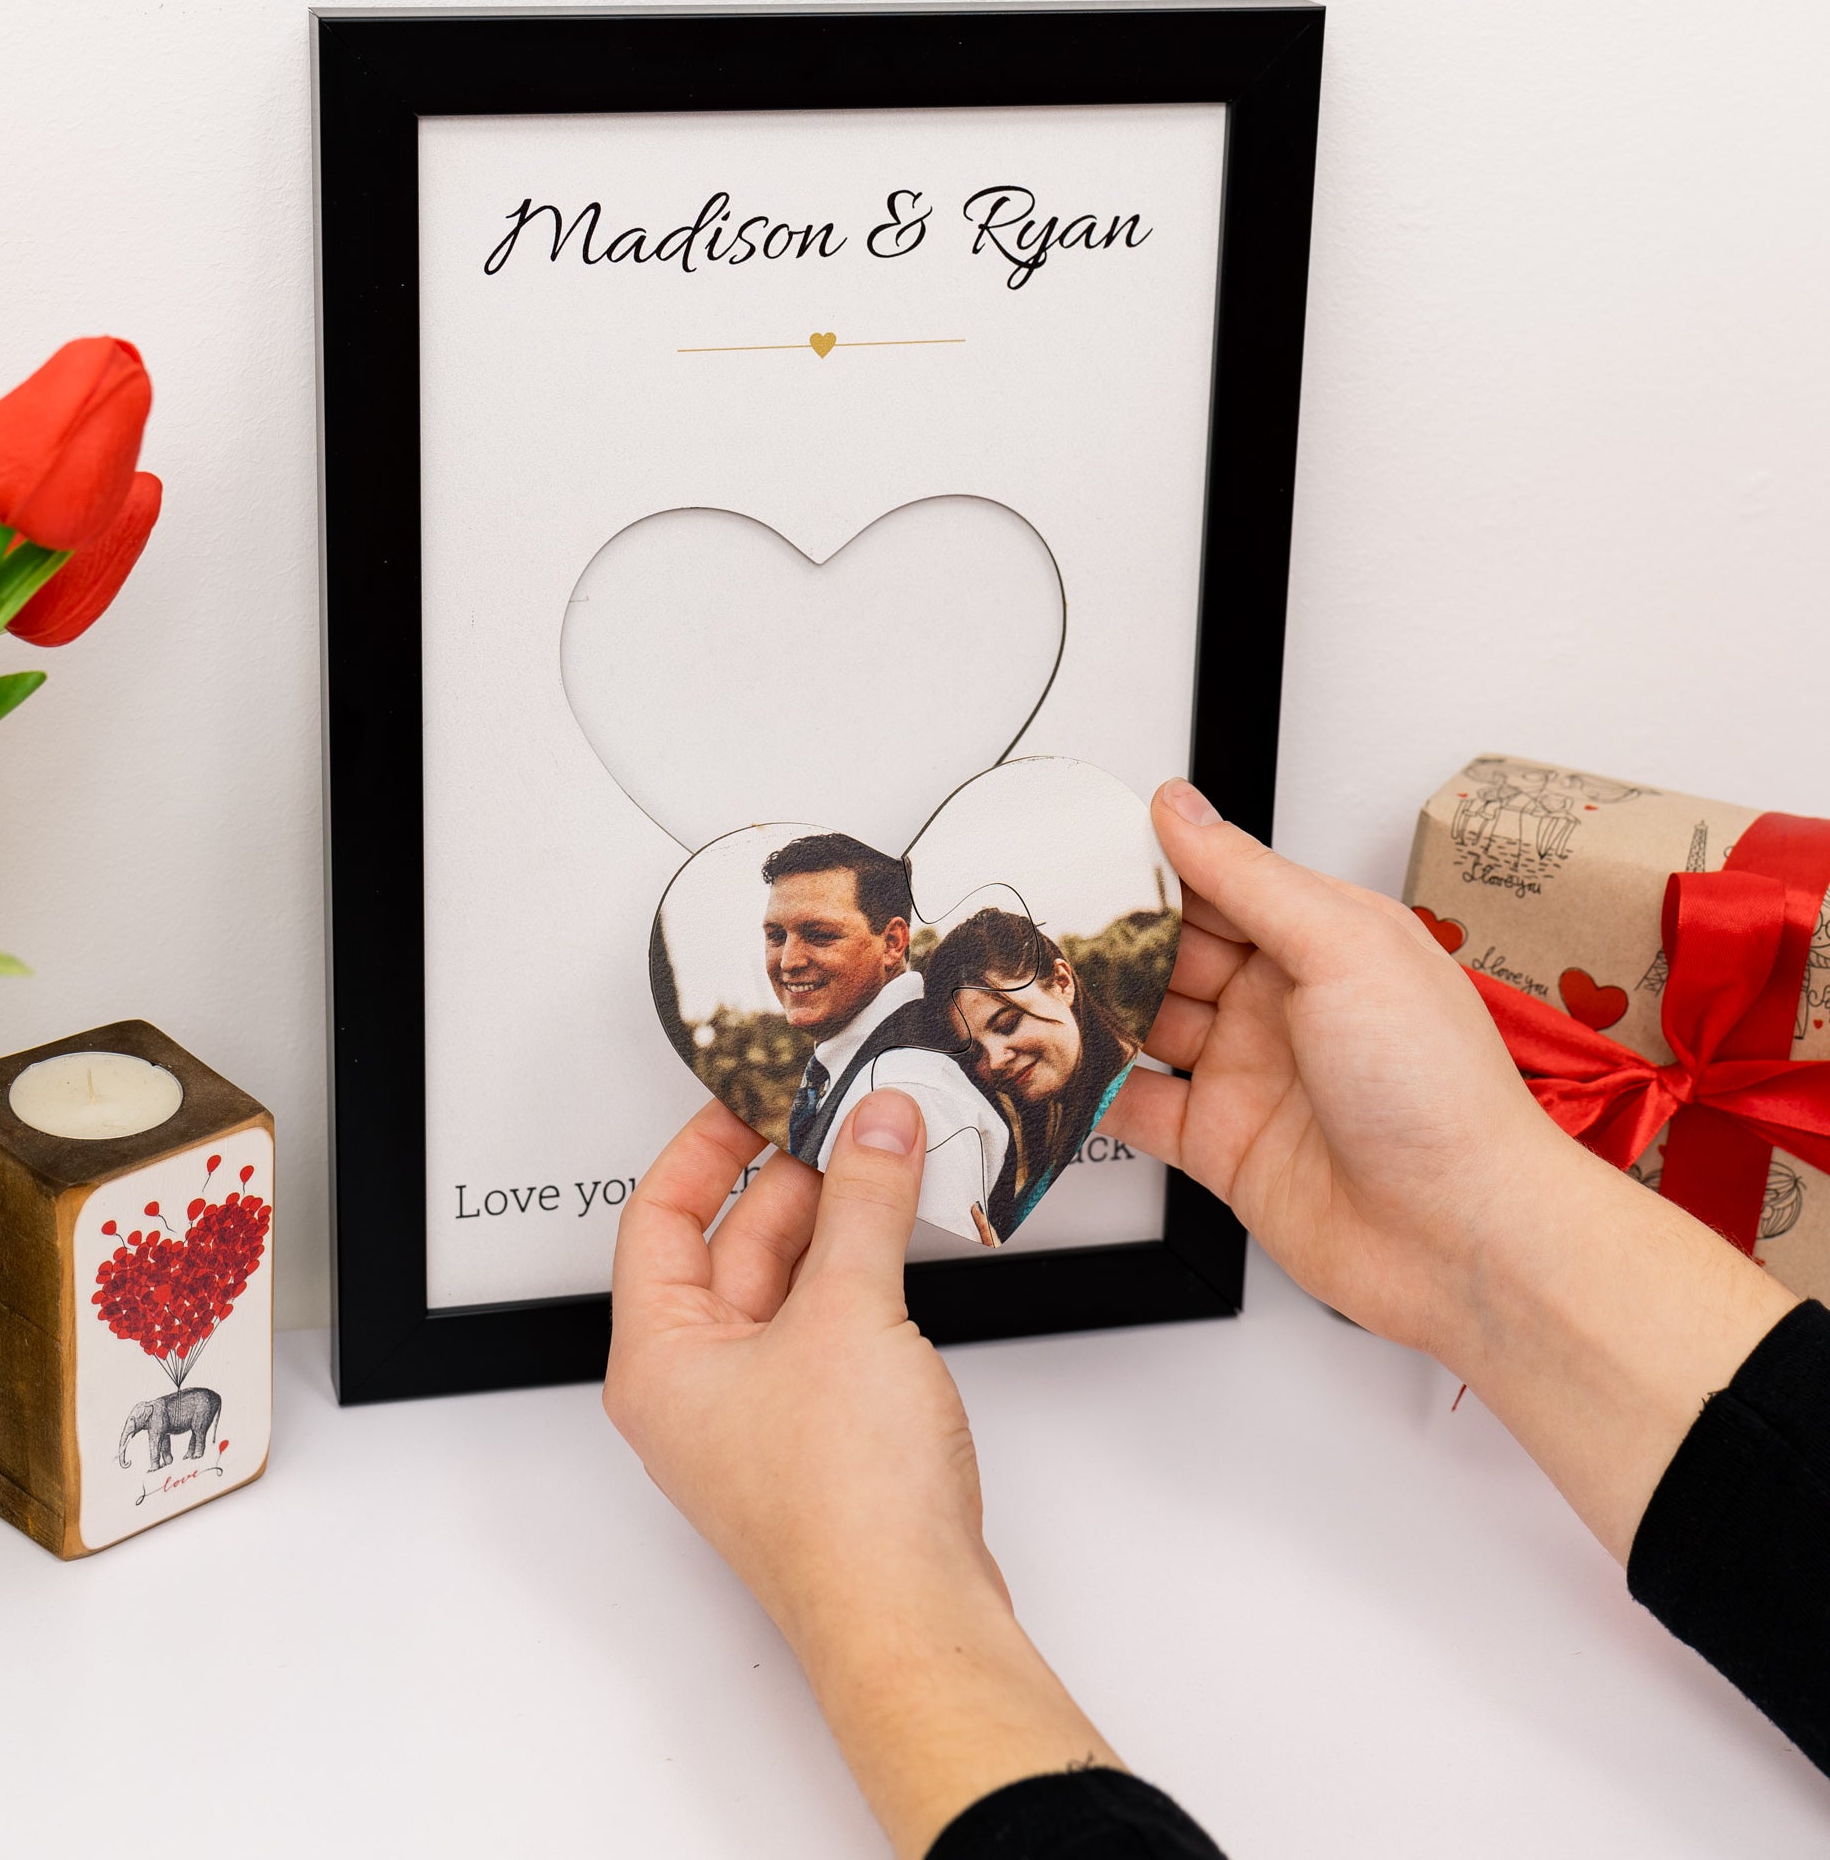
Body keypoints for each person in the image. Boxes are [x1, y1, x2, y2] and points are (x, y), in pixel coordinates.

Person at [608, 779, 1830, 1857]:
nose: (780, 958)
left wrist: (867, 1587)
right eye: (767, 935)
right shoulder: (877, 1058)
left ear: (893, 938)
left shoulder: (917, 1077)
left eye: (808, 930)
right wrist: (1480, 1229)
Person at [760, 831, 1008, 1238]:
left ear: (892, 943)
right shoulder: (872, 1067)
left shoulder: (907, 1088)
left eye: (820, 934)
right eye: (776, 936)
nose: (788, 961)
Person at [921, 908, 1139, 1242]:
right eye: (975, 1052)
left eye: (1007, 1024)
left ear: (1062, 983)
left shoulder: (1131, 1116)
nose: (994, 1062)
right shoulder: (1069, 1126)